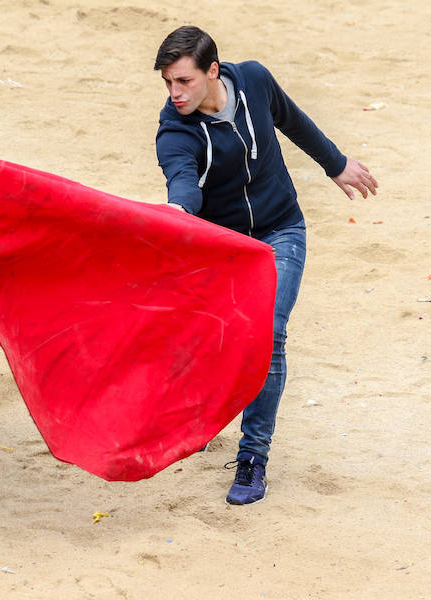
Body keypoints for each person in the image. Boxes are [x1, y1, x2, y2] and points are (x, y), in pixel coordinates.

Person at [154, 26, 377, 505]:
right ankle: (209, 414)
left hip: (281, 230)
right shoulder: (175, 131)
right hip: (224, 248)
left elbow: (292, 121)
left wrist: (335, 163)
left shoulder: (253, 80)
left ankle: (253, 458)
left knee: (267, 334)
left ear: (213, 71)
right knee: (215, 338)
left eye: (184, 81)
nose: (175, 94)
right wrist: (177, 211)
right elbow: (183, 180)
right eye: (168, 83)